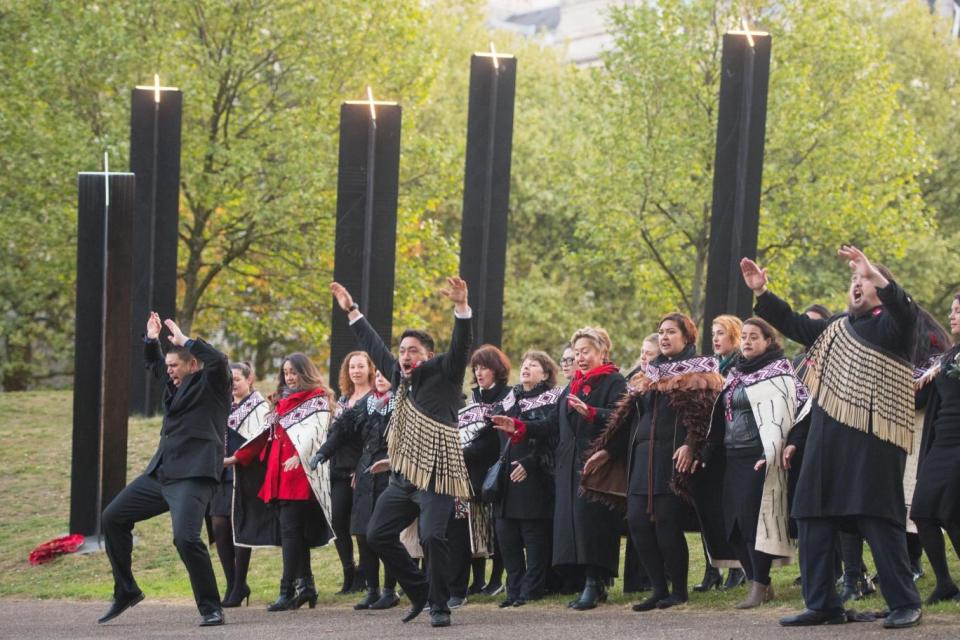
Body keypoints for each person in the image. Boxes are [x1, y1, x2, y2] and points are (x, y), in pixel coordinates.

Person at [742, 246, 923, 628]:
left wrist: (878, 275)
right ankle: (823, 603)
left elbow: (907, 311)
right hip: (826, 442)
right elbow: (792, 324)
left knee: (879, 520)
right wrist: (762, 293)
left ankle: (905, 602)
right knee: (811, 517)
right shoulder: (836, 327)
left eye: (864, 280)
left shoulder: (893, 325)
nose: (856, 285)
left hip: (872, 444)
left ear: (878, 286)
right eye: (853, 280)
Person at [330, 277, 473, 628]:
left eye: (413, 351)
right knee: (377, 533)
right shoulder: (399, 375)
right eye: (403, 350)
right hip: (403, 475)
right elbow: (374, 345)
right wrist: (352, 311)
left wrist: (461, 309)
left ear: (428, 355)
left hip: (437, 476)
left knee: (432, 537)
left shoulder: (445, 372)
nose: (405, 356)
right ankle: (420, 591)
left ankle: (439, 606)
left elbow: (461, 345)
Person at [580, 314, 722, 611]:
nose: (665, 337)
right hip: (641, 459)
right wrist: (607, 450)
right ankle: (658, 588)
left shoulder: (701, 371)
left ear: (687, 337)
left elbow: (706, 416)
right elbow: (628, 419)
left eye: (671, 332)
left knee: (667, 523)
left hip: (671, 459)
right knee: (637, 522)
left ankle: (679, 591)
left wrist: (691, 444)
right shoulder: (648, 375)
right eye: (661, 332)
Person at [99, 313, 230, 627]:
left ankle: (211, 607)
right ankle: (127, 590)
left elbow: (220, 360)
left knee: (185, 538)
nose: (168, 371)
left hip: (194, 475)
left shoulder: (212, 384)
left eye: (175, 366)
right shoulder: (175, 384)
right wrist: (150, 340)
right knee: (112, 517)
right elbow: (154, 365)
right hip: (162, 472)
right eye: (168, 366)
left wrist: (186, 341)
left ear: (192, 364)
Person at [493, 327, 628, 611]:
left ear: (602, 351)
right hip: (567, 465)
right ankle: (584, 581)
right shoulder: (572, 386)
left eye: (586, 351)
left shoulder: (614, 381)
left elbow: (622, 419)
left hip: (596, 463)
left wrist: (592, 413)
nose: (580, 357)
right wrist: (520, 427)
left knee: (593, 523)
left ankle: (596, 581)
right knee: (573, 524)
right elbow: (552, 425)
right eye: (576, 352)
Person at [697, 318, 806, 609]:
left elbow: (792, 414)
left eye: (753, 337)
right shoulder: (735, 374)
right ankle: (763, 583)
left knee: (751, 524)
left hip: (759, 458)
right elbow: (721, 418)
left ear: (768, 342)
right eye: (743, 336)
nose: (746, 341)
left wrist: (770, 451)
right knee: (730, 525)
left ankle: (759, 583)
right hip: (731, 457)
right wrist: (708, 452)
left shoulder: (781, 374)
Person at [225, 354, 335, 612]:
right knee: (295, 534)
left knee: (290, 533)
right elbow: (263, 435)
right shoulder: (281, 403)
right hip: (278, 472)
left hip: (299, 475)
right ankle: (306, 586)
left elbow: (315, 432)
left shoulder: (317, 399)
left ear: (305, 372)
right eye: (286, 372)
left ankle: (286, 591)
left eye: (294, 372)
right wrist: (237, 457)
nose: (289, 377)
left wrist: (300, 455)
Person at [311, 370, 401, 610]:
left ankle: (390, 590)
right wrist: (322, 453)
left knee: (384, 534)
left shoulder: (402, 404)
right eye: (379, 374)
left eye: (386, 375)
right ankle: (372, 590)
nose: (381, 378)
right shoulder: (365, 404)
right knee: (362, 533)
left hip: (390, 471)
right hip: (365, 471)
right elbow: (341, 431)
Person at [486, 350, 562, 607]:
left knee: (533, 537)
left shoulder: (552, 398)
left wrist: (530, 463)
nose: (526, 368)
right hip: (506, 477)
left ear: (546, 373)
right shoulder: (510, 398)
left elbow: (552, 437)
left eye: (534, 365)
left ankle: (532, 589)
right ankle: (513, 590)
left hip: (534, 476)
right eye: (525, 364)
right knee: (507, 536)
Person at [449, 345, 512, 608]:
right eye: (475, 367)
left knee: (494, 526)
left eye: (484, 367)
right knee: (470, 524)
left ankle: (497, 578)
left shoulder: (508, 397)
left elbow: (497, 439)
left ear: (497, 369)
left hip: (494, 468)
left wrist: (467, 450)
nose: (479, 372)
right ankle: (477, 580)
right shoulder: (472, 399)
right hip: (467, 473)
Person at [911, 293, 960, 604]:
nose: (953, 315)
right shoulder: (947, 358)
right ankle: (944, 583)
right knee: (923, 512)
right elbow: (923, 400)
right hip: (940, 444)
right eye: (953, 310)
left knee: (952, 512)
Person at [697, 314, 745, 592]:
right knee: (710, 509)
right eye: (713, 333)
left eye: (720, 333)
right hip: (709, 445)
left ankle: (737, 568)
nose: (715, 338)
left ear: (734, 336)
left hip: (731, 444)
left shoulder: (739, 366)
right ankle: (712, 569)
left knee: (729, 508)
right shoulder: (709, 367)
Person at [217, 362, 269, 608]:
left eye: (236, 379)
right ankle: (232, 583)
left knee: (238, 528)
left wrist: (236, 458)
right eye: (229, 379)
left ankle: (239, 585)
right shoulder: (223, 404)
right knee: (219, 528)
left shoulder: (259, 406)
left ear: (249, 380)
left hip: (243, 473)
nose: (232, 384)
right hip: (220, 473)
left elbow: (260, 438)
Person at [331, 351, 375, 595]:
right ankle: (350, 573)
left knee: (360, 527)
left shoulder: (375, 398)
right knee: (339, 522)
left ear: (369, 369)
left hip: (363, 469)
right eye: (352, 367)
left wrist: (362, 468)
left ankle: (367, 576)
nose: (356, 371)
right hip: (339, 469)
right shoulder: (343, 399)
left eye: (360, 366)